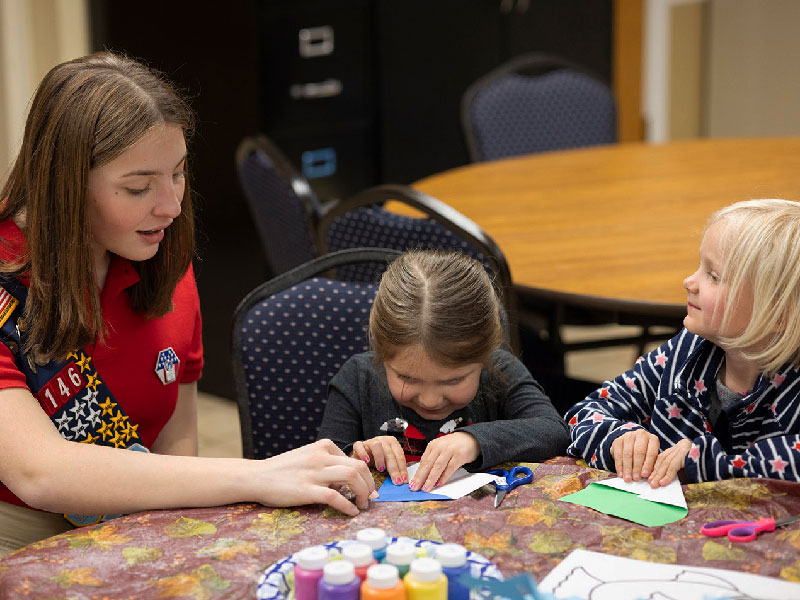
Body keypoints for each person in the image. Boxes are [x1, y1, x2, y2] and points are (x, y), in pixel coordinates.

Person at [0, 52, 375, 556]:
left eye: (177, 174)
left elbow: (178, 448)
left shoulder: (163, 257)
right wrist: (257, 476)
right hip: (21, 537)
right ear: (65, 186)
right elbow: (38, 472)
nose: (171, 207)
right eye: (138, 187)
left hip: (140, 522)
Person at [566, 199, 800, 487]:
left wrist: (707, 463)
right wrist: (619, 439)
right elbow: (584, 413)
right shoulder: (686, 351)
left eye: (713, 276)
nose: (689, 281)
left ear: (777, 314)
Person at [317, 250, 569, 492]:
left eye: (454, 380)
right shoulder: (357, 377)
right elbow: (321, 463)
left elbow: (555, 432)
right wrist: (358, 454)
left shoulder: (500, 369)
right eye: (406, 378)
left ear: (484, 357)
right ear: (381, 351)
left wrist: (474, 441)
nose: (430, 400)